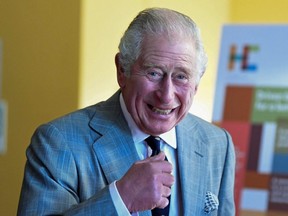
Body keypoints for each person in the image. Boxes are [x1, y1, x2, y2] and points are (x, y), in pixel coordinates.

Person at [18, 7, 236, 216]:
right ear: (122, 71)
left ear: (196, 84)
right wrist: (121, 199)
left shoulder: (217, 144)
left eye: (181, 76)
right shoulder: (57, 142)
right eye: (154, 73)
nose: (167, 95)